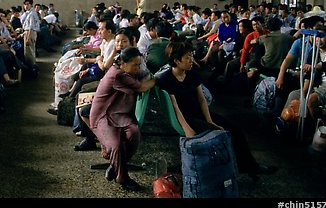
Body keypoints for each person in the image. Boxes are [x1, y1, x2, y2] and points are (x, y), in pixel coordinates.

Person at [156, 41, 278, 180]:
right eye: (188, 58)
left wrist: (210, 120)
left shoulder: (192, 74)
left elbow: (202, 100)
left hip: (200, 114)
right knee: (220, 135)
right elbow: (175, 107)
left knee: (236, 130)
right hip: (186, 118)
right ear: (177, 61)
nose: (192, 60)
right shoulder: (166, 78)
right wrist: (187, 128)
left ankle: (249, 166)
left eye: (191, 56)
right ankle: (219, 173)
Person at [89, 46, 156, 191]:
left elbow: (144, 74)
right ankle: (122, 178)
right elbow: (142, 87)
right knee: (116, 145)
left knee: (134, 133)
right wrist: (155, 80)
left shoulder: (128, 72)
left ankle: (115, 165)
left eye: (139, 65)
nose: (138, 68)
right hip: (104, 115)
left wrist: (147, 77)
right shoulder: (118, 75)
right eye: (135, 65)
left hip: (120, 113)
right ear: (123, 63)